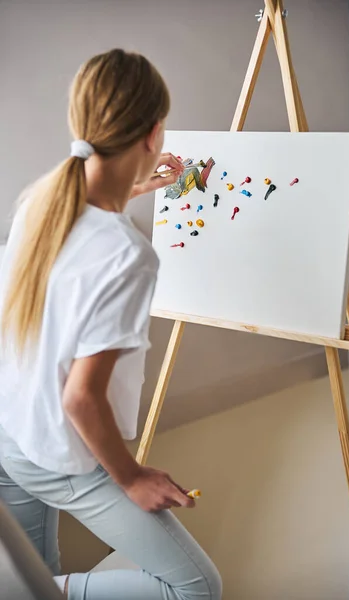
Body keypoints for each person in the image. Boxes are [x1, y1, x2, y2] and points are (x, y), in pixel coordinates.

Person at [0, 48, 222, 600]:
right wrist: (133, 477)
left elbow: (87, 235)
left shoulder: (42, 201)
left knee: (38, 572)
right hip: (61, 452)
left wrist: (136, 189)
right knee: (197, 590)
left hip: (11, 432)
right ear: (153, 135)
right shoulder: (129, 256)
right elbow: (81, 399)